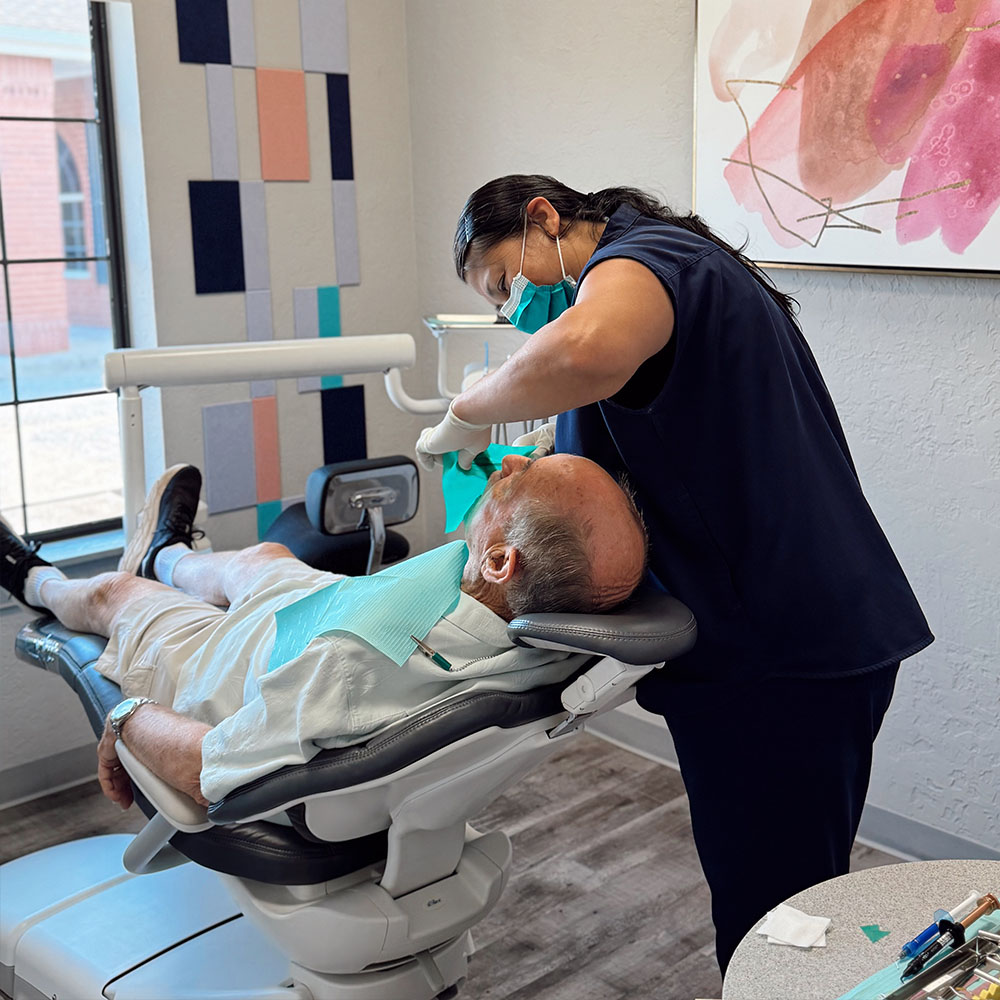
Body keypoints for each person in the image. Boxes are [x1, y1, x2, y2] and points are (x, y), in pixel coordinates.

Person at [416, 174, 934, 974]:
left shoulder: (644, 260)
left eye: (504, 284)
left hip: (779, 653)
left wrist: (468, 405)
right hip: (799, 633)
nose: (511, 309)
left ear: (545, 219)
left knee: (778, 918)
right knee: (785, 898)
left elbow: (586, 351)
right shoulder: (676, 270)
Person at [0, 456, 647, 808]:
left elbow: (209, 766)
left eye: (523, 476)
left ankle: (30, 574)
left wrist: (126, 716)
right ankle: (165, 552)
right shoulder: (560, 635)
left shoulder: (350, 669)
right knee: (264, 560)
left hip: (236, 664)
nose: (506, 464)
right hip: (333, 607)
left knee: (119, 597)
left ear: (502, 562)